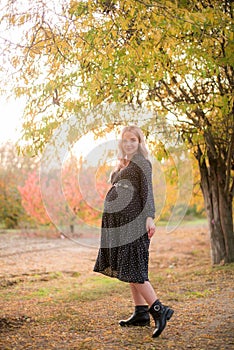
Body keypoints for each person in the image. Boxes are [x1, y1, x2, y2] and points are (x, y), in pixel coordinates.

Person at [93, 125, 174, 338]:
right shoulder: (124, 163)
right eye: (125, 140)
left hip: (133, 222)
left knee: (135, 269)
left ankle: (159, 310)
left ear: (139, 143)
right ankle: (140, 314)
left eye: (133, 140)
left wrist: (149, 217)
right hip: (119, 223)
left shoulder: (142, 163)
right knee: (128, 267)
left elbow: (148, 192)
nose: (129, 144)